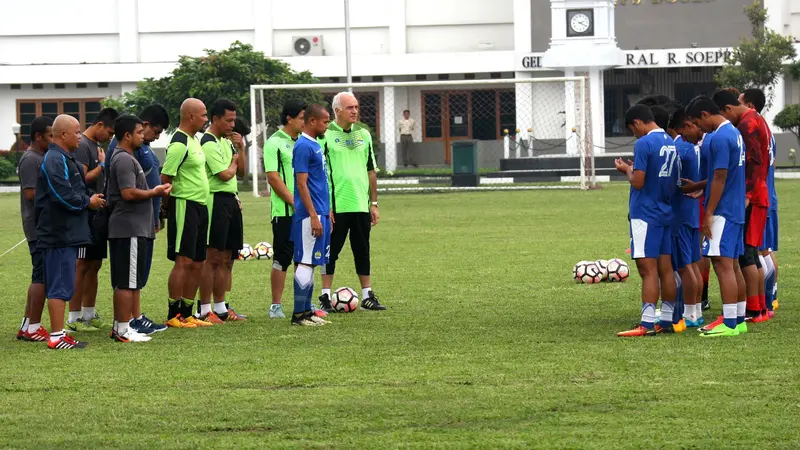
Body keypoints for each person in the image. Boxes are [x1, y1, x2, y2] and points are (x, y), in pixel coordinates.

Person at [35, 115, 106, 349]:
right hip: (58, 234)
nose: (80, 136)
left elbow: (75, 189)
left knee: (65, 283)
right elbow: (62, 195)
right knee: (58, 285)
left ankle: (60, 333)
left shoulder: (67, 158)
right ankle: (57, 336)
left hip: (68, 233)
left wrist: (89, 199)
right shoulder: (54, 159)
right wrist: (88, 202)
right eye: (76, 132)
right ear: (63, 134)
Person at [683, 95, 747, 338]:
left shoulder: (720, 136)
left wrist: (707, 213)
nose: (699, 129)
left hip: (723, 209)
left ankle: (729, 323)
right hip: (735, 207)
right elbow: (722, 176)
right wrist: (701, 186)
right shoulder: (734, 133)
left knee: (721, 263)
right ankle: (738, 319)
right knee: (731, 264)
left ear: (704, 115)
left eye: (698, 124)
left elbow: (720, 177)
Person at [614, 105, 679, 337]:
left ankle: (647, 322)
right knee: (665, 269)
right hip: (664, 211)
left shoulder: (644, 143)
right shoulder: (670, 141)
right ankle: (668, 320)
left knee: (647, 270)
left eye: (633, 129)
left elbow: (638, 182)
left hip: (646, 213)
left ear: (638, 122)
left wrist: (626, 171)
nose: (635, 134)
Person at [107, 115, 172, 342]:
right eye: (138, 133)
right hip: (129, 228)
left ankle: (121, 326)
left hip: (130, 228)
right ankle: (123, 330)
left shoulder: (126, 157)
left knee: (127, 281)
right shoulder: (124, 159)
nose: (142, 136)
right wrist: (155, 192)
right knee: (127, 282)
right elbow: (128, 193)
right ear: (127, 135)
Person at [318, 92, 385, 312]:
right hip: (336, 206)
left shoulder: (364, 135)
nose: (354, 111)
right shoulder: (325, 136)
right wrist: (325, 206)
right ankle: (325, 296)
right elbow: (320, 173)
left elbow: (370, 170)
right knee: (331, 251)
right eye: (349, 107)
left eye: (356, 107)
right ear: (337, 111)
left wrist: (373, 203)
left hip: (360, 204)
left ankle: (367, 295)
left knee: (362, 250)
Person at [713, 89, 770, 322]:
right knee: (750, 253)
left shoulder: (747, 124)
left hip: (752, 195)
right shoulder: (755, 119)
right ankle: (759, 308)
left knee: (747, 254)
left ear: (727, 110)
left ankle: (755, 310)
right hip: (758, 192)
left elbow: (754, 162)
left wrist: (747, 194)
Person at [161, 98, 211, 328]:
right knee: (184, 260)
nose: (206, 119)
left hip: (201, 206)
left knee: (199, 261)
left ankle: (187, 312)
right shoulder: (179, 142)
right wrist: (165, 208)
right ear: (190, 117)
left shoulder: (195, 140)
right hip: (184, 205)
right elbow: (166, 178)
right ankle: (173, 314)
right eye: (202, 115)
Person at [69, 107, 119, 332]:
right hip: (85, 215)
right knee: (81, 265)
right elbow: (82, 179)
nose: (111, 137)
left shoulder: (97, 146)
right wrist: (102, 165)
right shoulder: (82, 147)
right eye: (109, 132)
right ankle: (74, 317)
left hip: (99, 214)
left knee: (95, 264)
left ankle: (89, 313)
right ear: (99, 125)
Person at [197, 99, 247, 323]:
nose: (232, 125)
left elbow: (242, 174)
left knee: (228, 257)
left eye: (234, 120)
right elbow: (225, 175)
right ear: (215, 119)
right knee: (213, 257)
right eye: (228, 120)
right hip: (215, 201)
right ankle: (204, 308)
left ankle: (221, 308)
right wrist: (235, 160)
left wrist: (241, 149)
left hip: (231, 201)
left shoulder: (228, 142)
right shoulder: (207, 142)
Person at [291, 104, 333, 326]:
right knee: (305, 262)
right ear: (312, 121)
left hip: (321, 212)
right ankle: (299, 315)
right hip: (309, 215)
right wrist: (314, 215)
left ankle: (307, 311)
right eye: (325, 121)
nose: (327, 125)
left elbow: (320, 182)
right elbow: (301, 183)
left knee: (312, 262)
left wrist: (327, 213)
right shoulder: (303, 146)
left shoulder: (315, 144)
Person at [739, 88, 780, 317]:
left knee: (757, 252)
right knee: (763, 250)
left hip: (757, 195)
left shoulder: (752, 127)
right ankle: (768, 298)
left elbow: (754, 165)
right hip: (766, 194)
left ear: (750, 105)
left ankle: (764, 301)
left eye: (740, 101)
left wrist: (747, 195)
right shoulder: (764, 127)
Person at [264, 100, 306, 319]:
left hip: (305, 211)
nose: (305, 121)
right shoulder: (274, 142)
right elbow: (272, 177)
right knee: (282, 258)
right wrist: (294, 202)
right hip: (285, 213)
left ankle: (303, 305)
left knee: (305, 259)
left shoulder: (303, 142)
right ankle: (275, 306)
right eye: (301, 117)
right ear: (289, 118)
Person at [16, 116, 53, 342]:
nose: (53, 140)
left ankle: (28, 324)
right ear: (38, 136)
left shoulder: (41, 157)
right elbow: (30, 194)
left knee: (39, 275)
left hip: (42, 226)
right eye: (50, 136)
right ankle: (33, 327)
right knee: (41, 277)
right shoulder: (31, 159)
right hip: (38, 228)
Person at [671, 107, 708, 327]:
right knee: (694, 265)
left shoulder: (678, 148)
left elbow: (673, 182)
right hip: (693, 211)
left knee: (686, 266)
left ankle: (690, 313)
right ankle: (695, 311)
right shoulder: (693, 147)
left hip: (682, 212)